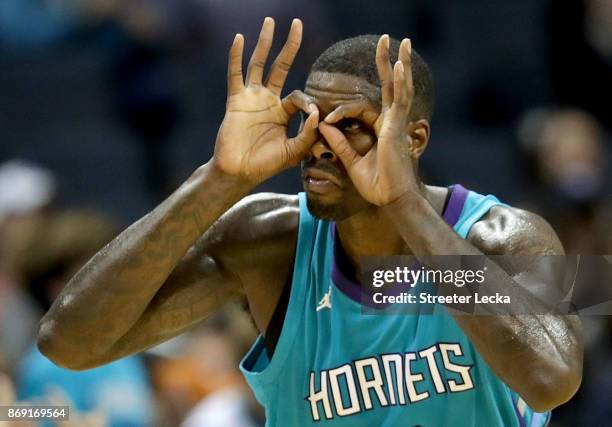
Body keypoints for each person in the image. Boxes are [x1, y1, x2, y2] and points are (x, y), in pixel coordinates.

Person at [37, 18, 583, 426]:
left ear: (413, 140)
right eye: (313, 123)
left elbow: (552, 382)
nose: (323, 147)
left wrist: (403, 203)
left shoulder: (508, 237)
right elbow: (69, 343)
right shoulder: (268, 241)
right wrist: (219, 180)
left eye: (350, 127)